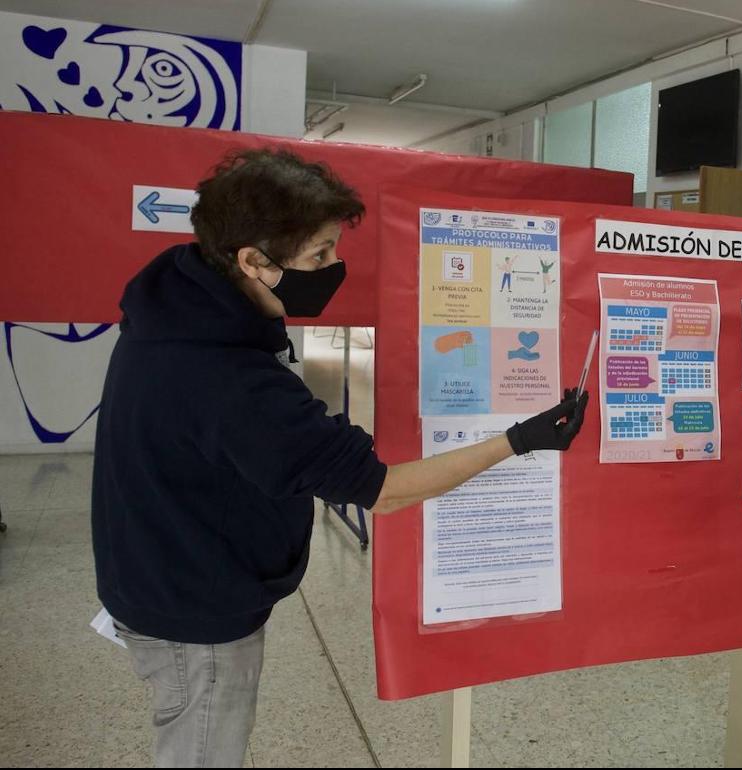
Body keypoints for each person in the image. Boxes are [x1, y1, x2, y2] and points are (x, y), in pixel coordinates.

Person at [91, 148, 590, 768]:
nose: (335, 266)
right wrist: (519, 440)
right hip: (194, 610)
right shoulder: (228, 377)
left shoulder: (178, 304)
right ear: (253, 262)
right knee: (200, 751)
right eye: (319, 254)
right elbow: (384, 490)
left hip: (157, 563)